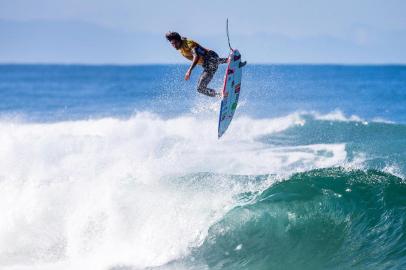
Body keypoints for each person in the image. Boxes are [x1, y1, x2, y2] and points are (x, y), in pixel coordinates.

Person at [165, 31, 245, 98]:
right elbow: (182, 39)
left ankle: (231, 60)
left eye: (175, 43)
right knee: (200, 88)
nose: (174, 45)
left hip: (211, 56)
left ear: (179, 40)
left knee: (210, 62)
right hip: (207, 64)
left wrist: (189, 71)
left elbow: (196, 57)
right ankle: (220, 95)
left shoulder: (189, 44)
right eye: (172, 44)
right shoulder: (181, 46)